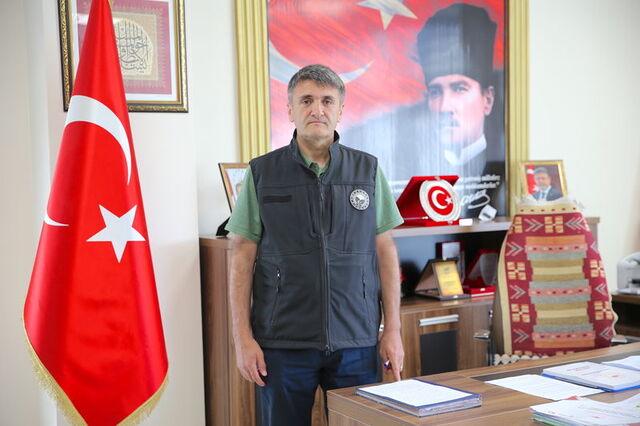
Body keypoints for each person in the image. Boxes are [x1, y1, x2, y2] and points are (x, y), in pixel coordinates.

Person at [225, 64, 405, 426]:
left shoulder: (367, 170)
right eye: (306, 100)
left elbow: (385, 251)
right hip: (282, 344)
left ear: (340, 110)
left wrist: (393, 331)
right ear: (290, 110)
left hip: (357, 340)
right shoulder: (262, 173)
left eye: (326, 101)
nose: (317, 110)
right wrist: (242, 338)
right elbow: (241, 256)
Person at [343, 3, 505, 218]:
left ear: (488, 99)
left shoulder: (504, 170)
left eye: (459, 88)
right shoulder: (405, 165)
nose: (444, 107)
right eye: (436, 92)